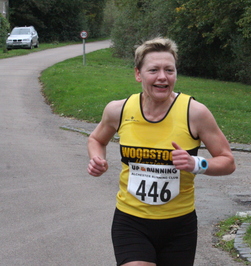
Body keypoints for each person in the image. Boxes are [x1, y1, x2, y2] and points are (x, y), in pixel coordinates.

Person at [87, 37, 236, 266]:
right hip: (130, 220)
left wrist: (196, 164)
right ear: (138, 74)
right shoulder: (119, 110)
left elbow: (227, 161)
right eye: (153, 70)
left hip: (179, 225)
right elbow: (97, 138)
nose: (162, 77)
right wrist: (97, 158)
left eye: (169, 70)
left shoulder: (194, 112)